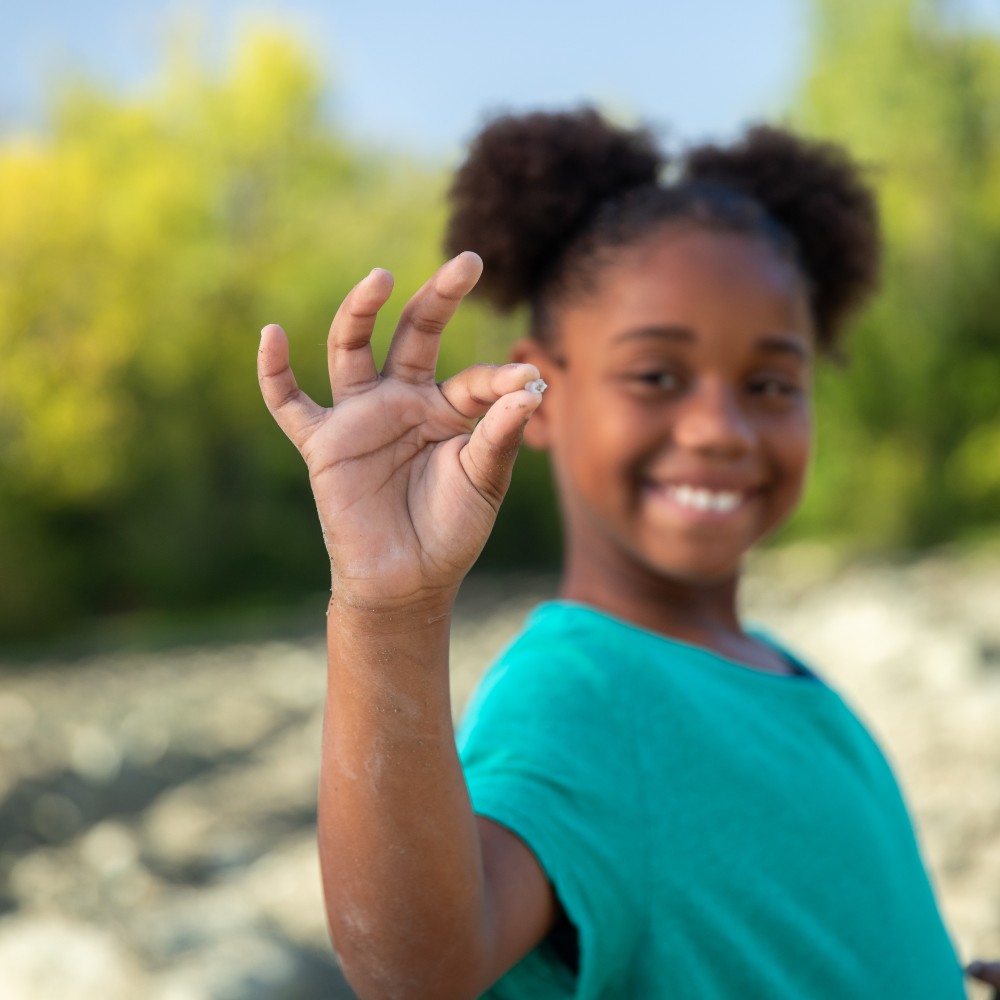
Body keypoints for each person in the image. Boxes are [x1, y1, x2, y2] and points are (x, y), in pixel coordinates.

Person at [258, 108, 984, 998]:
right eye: (657, 377)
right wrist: (389, 610)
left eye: (769, 383)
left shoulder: (783, 681)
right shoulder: (584, 698)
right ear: (541, 390)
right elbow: (420, 968)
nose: (719, 428)